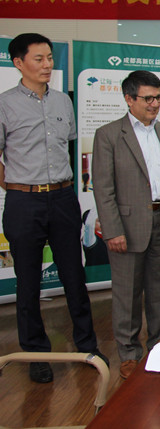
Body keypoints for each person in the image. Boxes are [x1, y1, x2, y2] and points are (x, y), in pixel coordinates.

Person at [0, 33, 106, 383]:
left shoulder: (63, 101)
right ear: (19, 63)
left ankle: (87, 346)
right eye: (39, 59)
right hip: (23, 201)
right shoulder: (5, 104)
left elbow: (68, 148)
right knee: (28, 282)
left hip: (62, 198)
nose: (47, 65)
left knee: (74, 276)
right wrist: (18, 187)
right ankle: (36, 354)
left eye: (49, 58)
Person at [92, 70, 160, 379]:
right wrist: (113, 230)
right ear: (129, 99)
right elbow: (103, 188)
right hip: (127, 225)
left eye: (158, 97)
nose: (155, 104)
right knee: (127, 293)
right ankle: (129, 353)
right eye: (148, 98)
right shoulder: (108, 135)